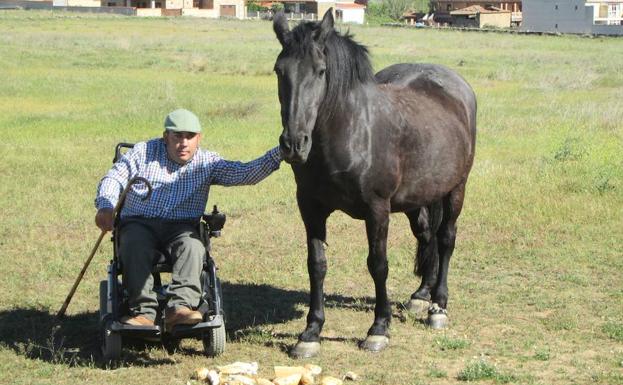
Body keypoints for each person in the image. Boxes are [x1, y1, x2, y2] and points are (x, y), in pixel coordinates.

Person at [95, 108, 282, 329]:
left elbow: (244, 173)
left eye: (190, 137)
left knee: (193, 246)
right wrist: (106, 206)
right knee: (134, 243)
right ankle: (143, 312)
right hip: (139, 223)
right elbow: (114, 177)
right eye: (177, 136)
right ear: (166, 137)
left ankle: (181, 307)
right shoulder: (142, 153)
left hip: (182, 227)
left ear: (198, 139)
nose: (183, 143)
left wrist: (279, 153)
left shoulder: (207, 162)